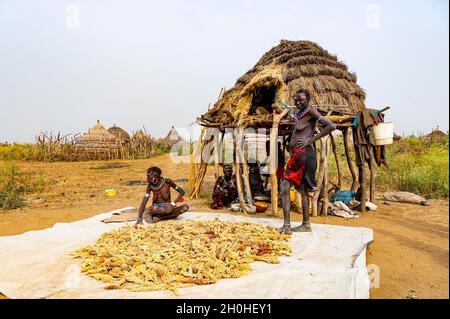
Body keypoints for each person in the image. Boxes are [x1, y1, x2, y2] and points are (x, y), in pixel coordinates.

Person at [279, 89, 336, 234]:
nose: (298, 102)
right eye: (296, 100)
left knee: (285, 186)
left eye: (301, 100)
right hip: (299, 156)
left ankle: (287, 226)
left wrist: (310, 140)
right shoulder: (301, 114)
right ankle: (306, 224)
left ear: (308, 99)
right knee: (302, 190)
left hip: (303, 155)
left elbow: (331, 126)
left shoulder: (312, 111)